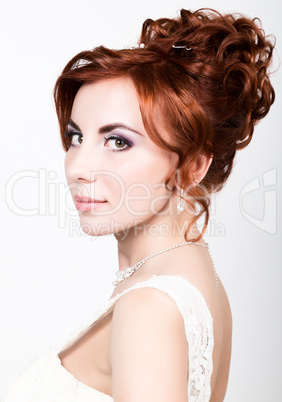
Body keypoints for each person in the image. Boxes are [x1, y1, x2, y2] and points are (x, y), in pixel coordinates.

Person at [2, 7, 275, 402]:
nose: (78, 166)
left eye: (118, 141)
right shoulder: (197, 280)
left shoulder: (148, 308)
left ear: (194, 164)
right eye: (76, 136)